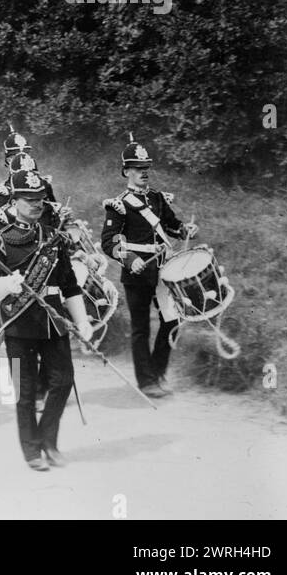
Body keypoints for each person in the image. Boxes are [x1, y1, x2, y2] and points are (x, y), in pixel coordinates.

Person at [0, 170, 95, 471]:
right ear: (14, 201)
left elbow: (69, 285)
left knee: (64, 380)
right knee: (25, 391)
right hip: (18, 325)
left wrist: (82, 321)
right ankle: (31, 449)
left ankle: (48, 440)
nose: (36, 204)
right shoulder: (0, 241)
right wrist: (4, 285)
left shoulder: (53, 239)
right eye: (28, 199)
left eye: (40, 199)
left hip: (53, 322)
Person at [100, 137, 197, 399]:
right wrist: (129, 258)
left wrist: (185, 229)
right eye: (137, 167)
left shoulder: (157, 198)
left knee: (173, 320)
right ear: (126, 171)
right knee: (141, 327)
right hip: (137, 274)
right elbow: (107, 243)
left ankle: (156, 370)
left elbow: (172, 226)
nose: (143, 171)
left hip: (163, 270)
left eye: (146, 167)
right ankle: (146, 381)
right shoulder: (118, 204)